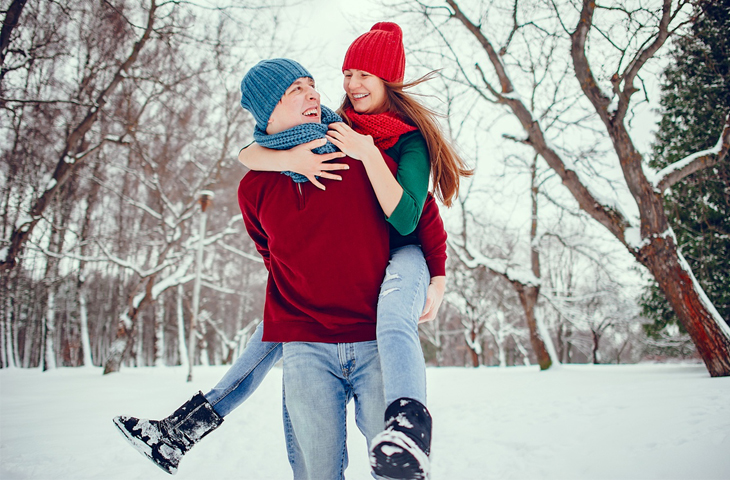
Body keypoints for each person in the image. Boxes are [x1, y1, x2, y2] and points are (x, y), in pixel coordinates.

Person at [112, 57, 450, 480]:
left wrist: (437, 275)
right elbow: (274, 258)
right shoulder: (253, 186)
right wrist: (286, 163)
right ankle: (179, 431)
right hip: (307, 349)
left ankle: (180, 430)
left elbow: (421, 215)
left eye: (312, 85)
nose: (314, 93)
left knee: (398, 470)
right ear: (268, 108)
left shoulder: (357, 147)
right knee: (315, 471)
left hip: (373, 341)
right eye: (296, 89)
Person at [239, 22, 471, 479]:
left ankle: (409, 425)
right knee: (277, 319)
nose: (352, 85)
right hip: (341, 293)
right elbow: (254, 147)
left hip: (403, 256)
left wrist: (440, 277)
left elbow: (410, 218)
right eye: (347, 73)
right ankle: (199, 416)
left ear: (388, 80)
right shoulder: (335, 123)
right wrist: (288, 159)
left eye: (365, 74)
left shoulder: (409, 141)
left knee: (393, 324)